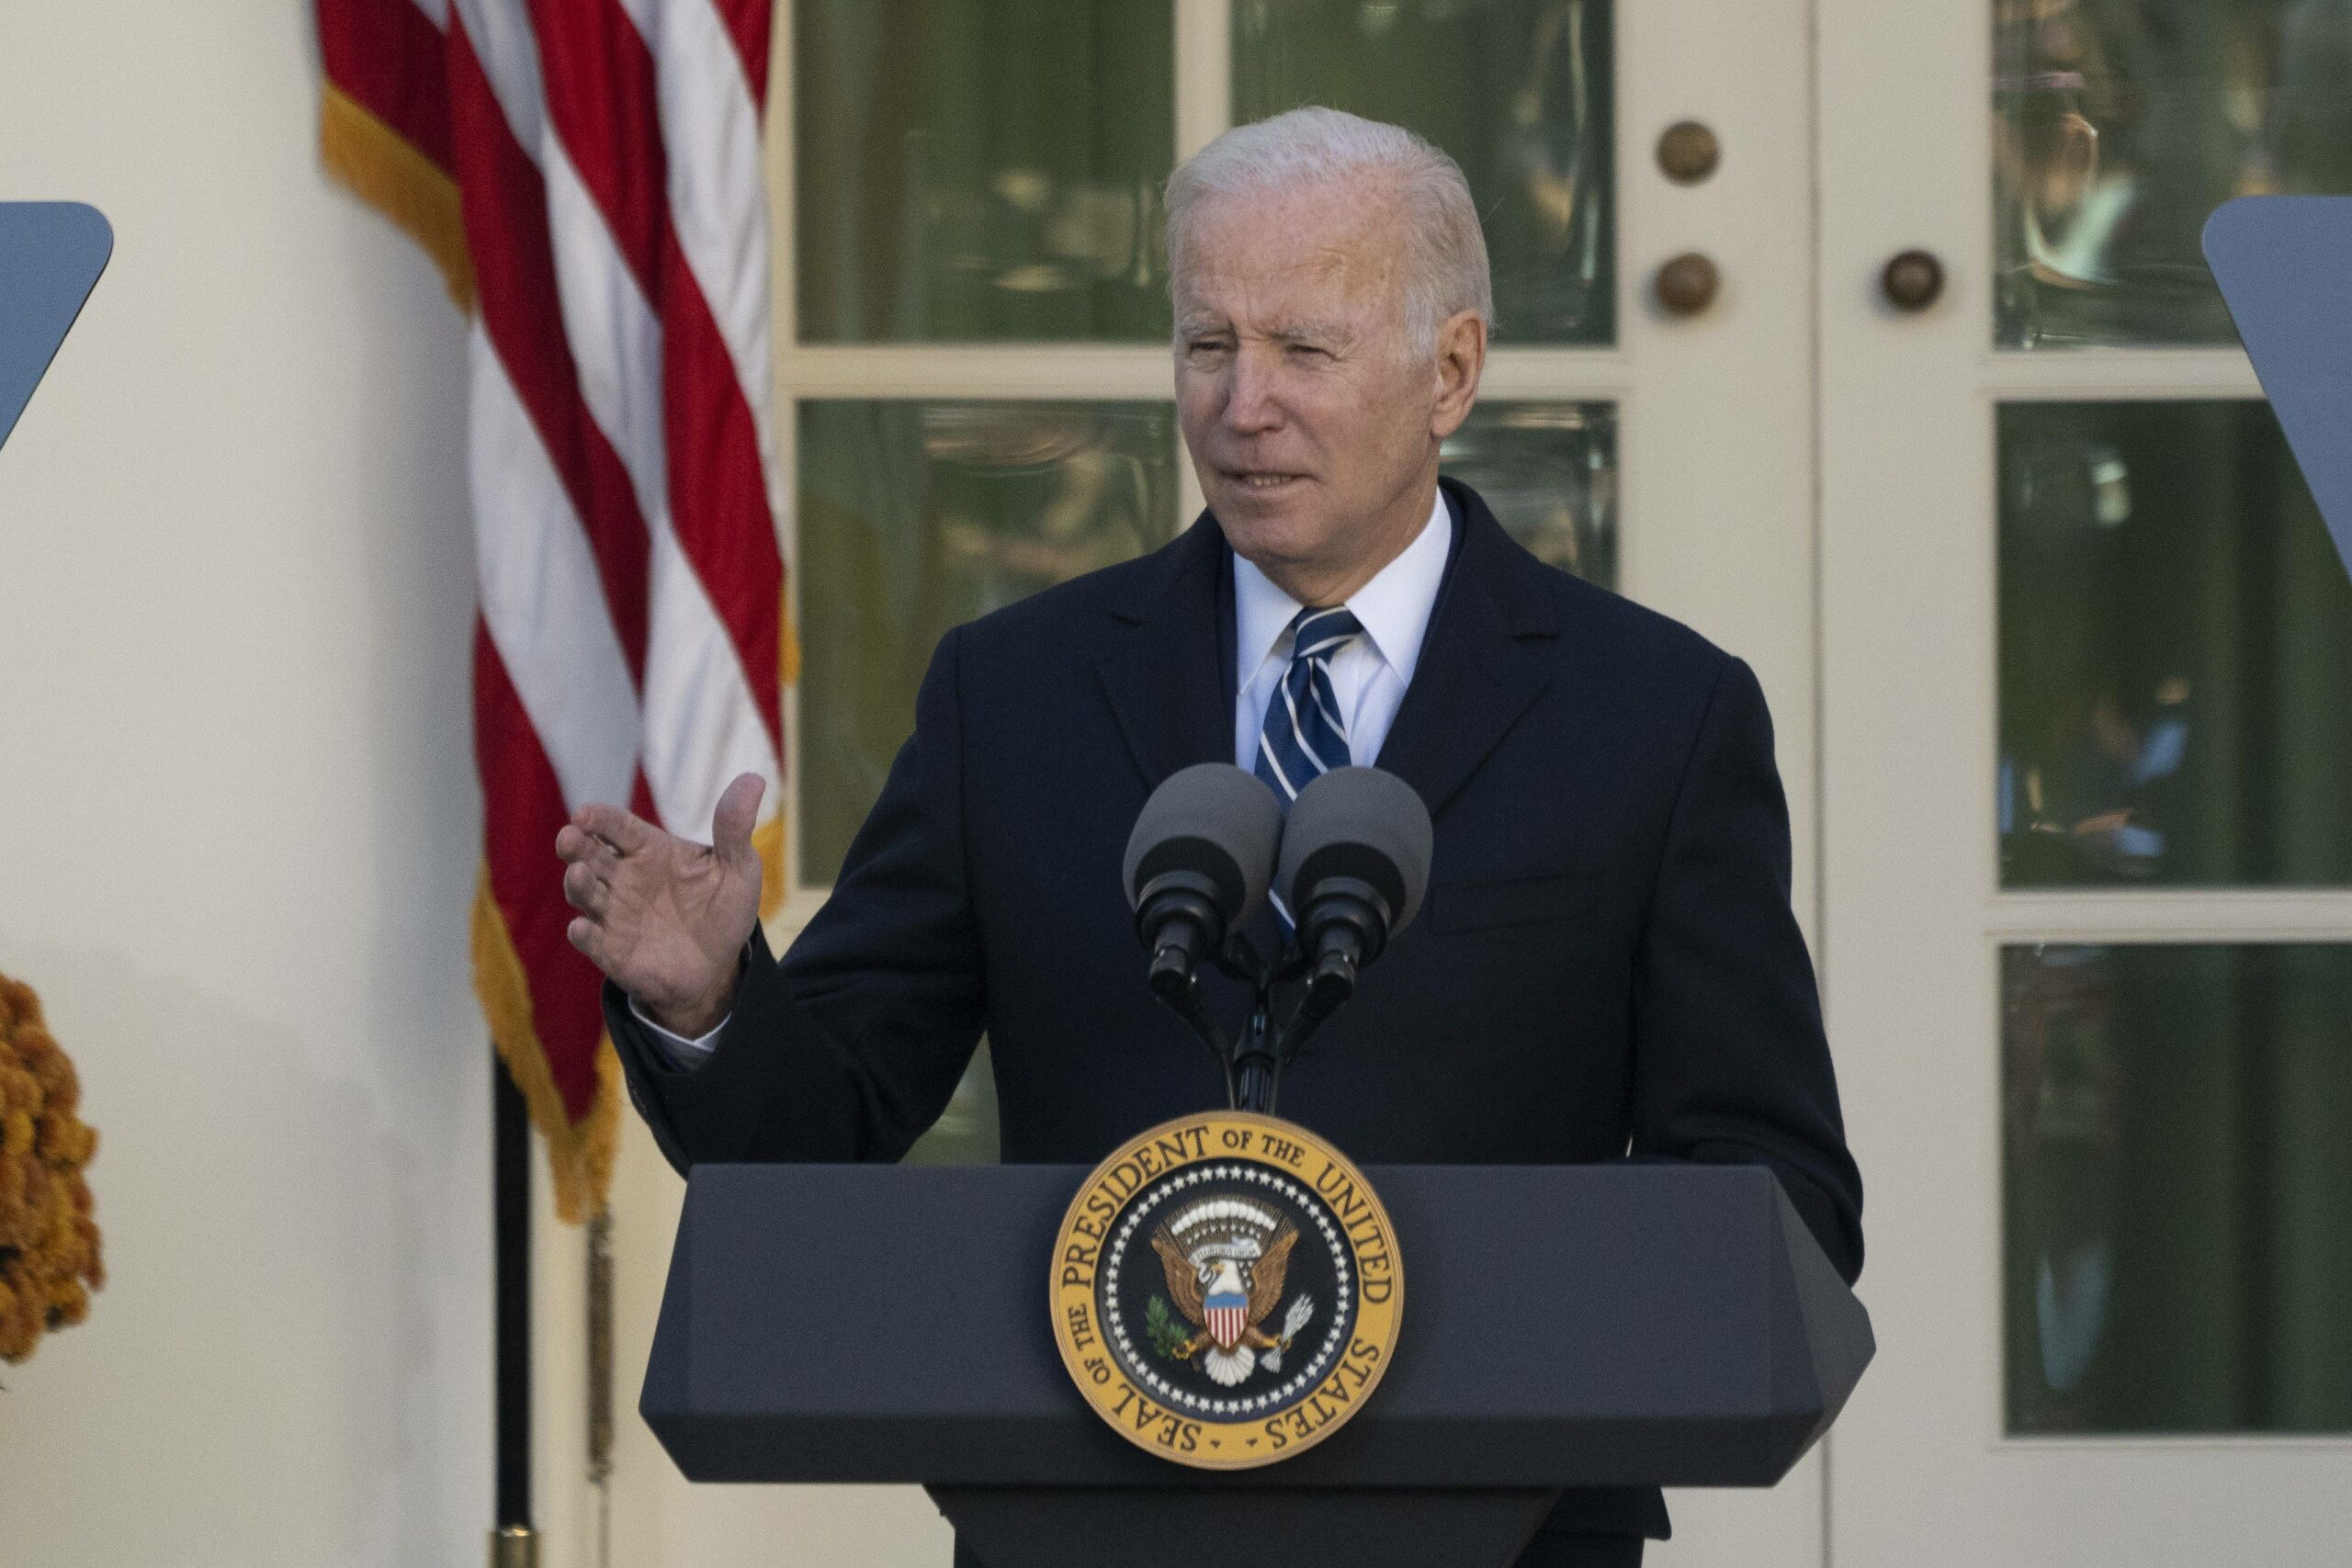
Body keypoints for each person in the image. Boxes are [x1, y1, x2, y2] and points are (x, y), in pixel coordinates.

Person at [557, 107, 1862, 1568]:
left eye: (1305, 350)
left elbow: (1776, 1188)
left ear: (1452, 371)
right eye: (1205, 346)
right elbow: (821, 1132)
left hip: (1510, 1535)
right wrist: (711, 1004)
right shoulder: (1020, 694)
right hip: (1081, 1521)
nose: (1244, 406)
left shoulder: (1655, 714)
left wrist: (1507, 1318)